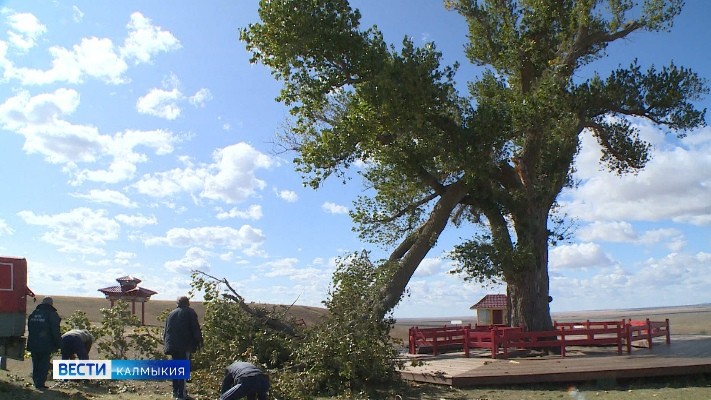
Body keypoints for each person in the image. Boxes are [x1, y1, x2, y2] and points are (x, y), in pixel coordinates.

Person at [164, 296, 203, 400]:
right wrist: (199, 343)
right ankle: (181, 395)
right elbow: (195, 329)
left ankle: (175, 392)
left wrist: (167, 345)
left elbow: (166, 331)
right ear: (188, 303)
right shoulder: (190, 312)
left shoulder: (171, 313)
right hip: (184, 346)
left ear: (178, 303)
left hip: (172, 346)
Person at [26, 296, 61, 390]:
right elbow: (55, 331)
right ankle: (40, 384)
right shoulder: (52, 314)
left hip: (33, 343)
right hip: (45, 345)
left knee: (35, 364)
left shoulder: (34, 313)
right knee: (43, 364)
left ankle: (36, 382)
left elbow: (29, 328)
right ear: (51, 304)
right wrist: (59, 344)